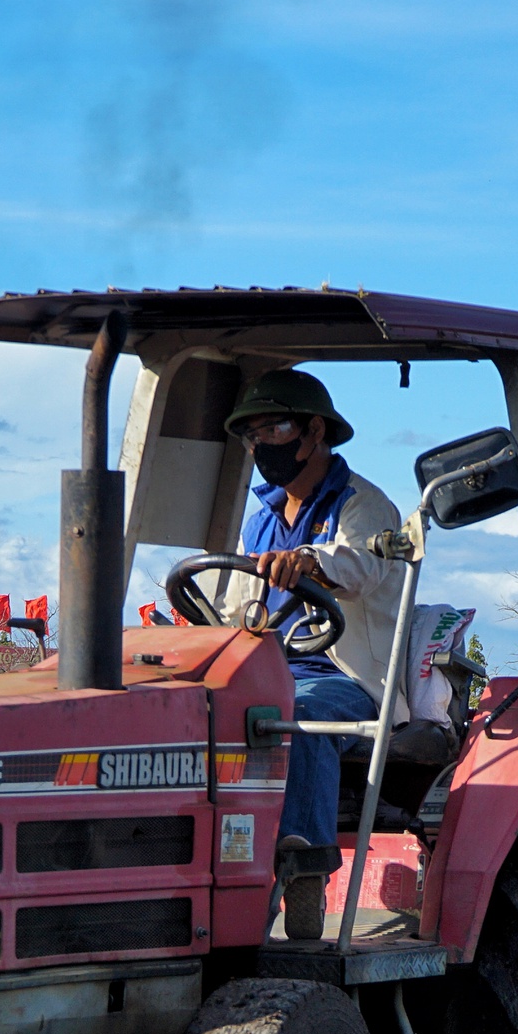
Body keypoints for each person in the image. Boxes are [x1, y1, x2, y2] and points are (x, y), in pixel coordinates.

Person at [208, 368, 409, 940]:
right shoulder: (260, 520)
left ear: (314, 431)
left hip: (345, 674)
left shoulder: (363, 505)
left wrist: (312, 562)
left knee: (302, 716)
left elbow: (361, 564)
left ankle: (304, 872)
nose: (260, 446)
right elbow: (238, 608)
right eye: (251, 436)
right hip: (270, 667)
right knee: (199, 712)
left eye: (273, 428)